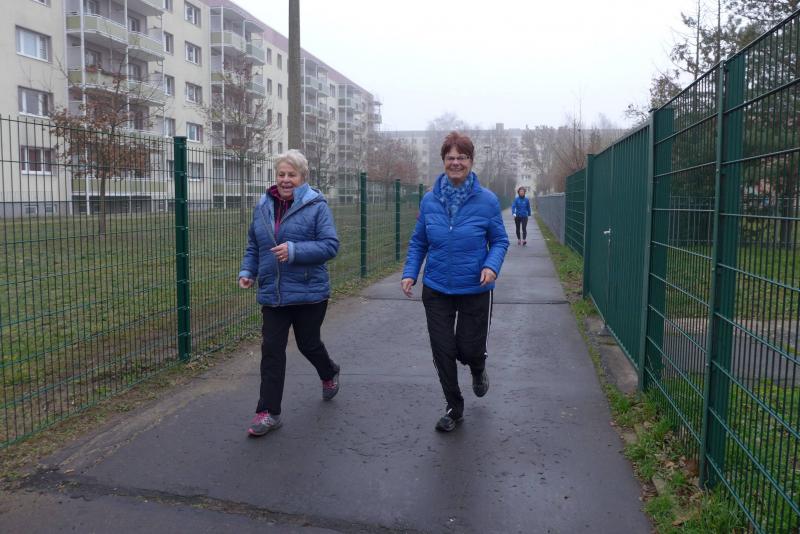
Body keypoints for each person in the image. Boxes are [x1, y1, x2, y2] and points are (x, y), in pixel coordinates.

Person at [401, 131, 509, 432]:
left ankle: (478, 366)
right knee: (443, 350)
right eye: (451, 157)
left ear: (471, 161)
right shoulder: (429, 200)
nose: (456, 162)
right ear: (443, 161)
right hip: (437, 287)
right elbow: (419, 241)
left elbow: (500, 241)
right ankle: (454, 407)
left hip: (475, 287)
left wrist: (491, 266)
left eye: (462, 157)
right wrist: (410, 272)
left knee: (468, 349)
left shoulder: (487, 201)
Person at [238, 149, 341, 437]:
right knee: (272, 350)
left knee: (309, 344)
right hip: (273, 293)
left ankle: (329, 371)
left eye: (291, 175)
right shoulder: (263, 206)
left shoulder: (316, 205)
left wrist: (295, 251)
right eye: (281, 174)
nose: (285, 179)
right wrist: (248, 271)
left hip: (309, 292)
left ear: (302, 177)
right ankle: (268, 412)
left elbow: (330, 245)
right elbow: (254, 245)